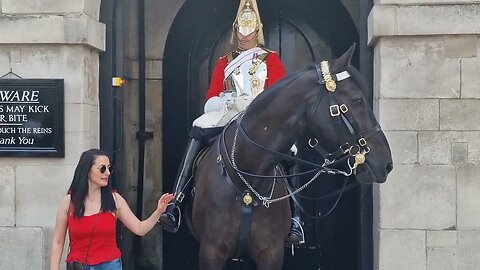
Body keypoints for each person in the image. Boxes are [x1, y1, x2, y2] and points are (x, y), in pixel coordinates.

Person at [158, 0, 304, 245]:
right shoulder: (224, 62)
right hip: (229, 111)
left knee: (290, 148)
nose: (245, 37)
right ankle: (177, 202)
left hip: (261, 117)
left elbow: (279, 94)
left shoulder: (271, 59)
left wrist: (260, 104)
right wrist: (224, 101)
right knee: (198, 129)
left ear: (258, 31)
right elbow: (211, 95)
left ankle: (296, 220)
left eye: (250, 31)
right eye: (241, 31)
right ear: (235, 30)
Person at [50, 149, 174, 270]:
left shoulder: (115, 199)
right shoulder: (68, 202)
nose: (108, 173)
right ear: (87, 170)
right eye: (102, 168)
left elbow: (139, 228)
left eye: (109, 168)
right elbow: (58, 241)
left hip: (109, 265)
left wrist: (158, 212)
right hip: (78, 265)